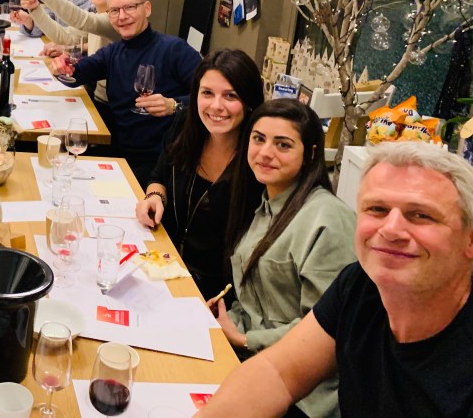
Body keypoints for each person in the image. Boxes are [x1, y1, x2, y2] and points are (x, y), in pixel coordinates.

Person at [195, 141, 473, 418]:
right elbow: (277, 373)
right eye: (377, 209)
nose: (391, 230)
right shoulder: (360, 285)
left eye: (421, 215)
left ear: (470, 240)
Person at [213, 99, 355, 418]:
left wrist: (244, 338)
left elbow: (327, 327)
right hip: (249, 360)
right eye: (258, 139)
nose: (265, 153)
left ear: (311, 154)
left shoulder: (328, 219)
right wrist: (227, 318)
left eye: (283, 145)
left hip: (302, 393)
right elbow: (258, 300)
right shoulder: (265, 204)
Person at [135, 50, 264, 298]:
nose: (216, 106)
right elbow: (159, 176)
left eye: (230, 96)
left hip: (218, 294)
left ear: (249, 101)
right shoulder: (186, 125)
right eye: (207, 93)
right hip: (165, 266)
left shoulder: (259, 159)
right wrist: (154, 197)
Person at [49, 0, 200, 183]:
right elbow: (79, 73)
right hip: (120, 153)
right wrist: (62, 68)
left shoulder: (174, 50)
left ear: (147, 8)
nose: (121, 16)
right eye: (114, 11)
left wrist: (173, 105)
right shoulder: (114, 52)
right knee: (59, 172)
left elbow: (209, 97)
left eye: (130, 7)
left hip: (161, 162)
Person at [19, 0, 125, 126]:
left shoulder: (117, 20)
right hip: (95, 97)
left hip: (112, 109)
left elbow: (81, 19)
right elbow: (63, 36)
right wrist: (35, 8)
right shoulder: (98, 16)